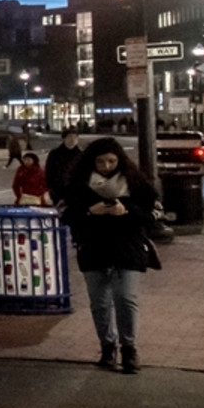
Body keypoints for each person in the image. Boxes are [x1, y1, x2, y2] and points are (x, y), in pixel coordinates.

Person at [64, 137, 159, 374]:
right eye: (100, 162)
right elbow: (65, 214)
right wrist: (89, 211)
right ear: (91, 161)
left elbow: (153, 215)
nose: (106, 166)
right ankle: (107, 347)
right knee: (100, 302)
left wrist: (126, 211)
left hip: (128, 247)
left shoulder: (135, 183)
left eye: (111, 161)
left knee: (126, 298)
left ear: (120, 160)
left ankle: (129, 348)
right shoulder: (79, 184)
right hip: (93, 247)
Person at [45, 129, 84, 206]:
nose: (72, 140)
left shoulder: (81, 155)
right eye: (70, 137)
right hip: (57, 190)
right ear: (64, 139)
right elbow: (49, 171)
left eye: (75, 137)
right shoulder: (55, 153)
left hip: (75, 191)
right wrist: (51, 188)